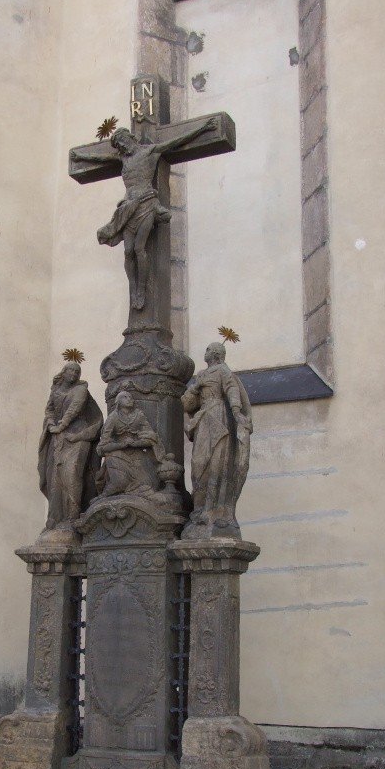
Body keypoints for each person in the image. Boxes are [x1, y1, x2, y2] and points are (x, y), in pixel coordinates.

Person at [71, 118, 216, 311]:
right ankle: (133, 290)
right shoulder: (123, 159)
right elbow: (100, 158)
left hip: (147, 205)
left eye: (122, 141)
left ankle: (142, 290)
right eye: (118, 145)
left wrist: (204, 127)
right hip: (128, 209)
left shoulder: (150, 152)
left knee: (140, 248)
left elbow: (178, 140)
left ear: (130, 138)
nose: (121, 146)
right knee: (128, 251)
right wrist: (80, 157)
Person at [182, 342, 252, 537]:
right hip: (203, 419)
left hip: (219, 417)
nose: (205, 352)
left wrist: (237, 412)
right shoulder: (201, 376)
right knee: (198, 464)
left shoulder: (223, 370)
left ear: (215, 353)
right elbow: (187, 404)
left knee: (216, 464)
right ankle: (199, 509)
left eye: (207, 349)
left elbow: (231, 389)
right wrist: (196, 387)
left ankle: (212, 511)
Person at [38, 362, 102, 531]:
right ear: (64, 372)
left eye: (77, 371)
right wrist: (51, 422)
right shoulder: (56, 390)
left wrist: (61, 426)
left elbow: (74, 409)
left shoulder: (81, 390)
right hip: (59, 438)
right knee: (55, 476)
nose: (74, 374)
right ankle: (56, 518)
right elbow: (49, 409)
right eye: (71, 370)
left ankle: (73, 517)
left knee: (72, 473)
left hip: (79, 434)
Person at [97, 391, 165, 497]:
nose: (129, 399)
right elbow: (102, 447)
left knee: (151, 484)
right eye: (125, 397)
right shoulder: (113, 417)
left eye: (130, 397)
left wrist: (136, 443)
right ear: (118, 402)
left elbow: (150, 436)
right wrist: (122, 445)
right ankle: (103, 496)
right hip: (117, 454)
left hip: (137, 452)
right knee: (119, 482)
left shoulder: (139, 415)